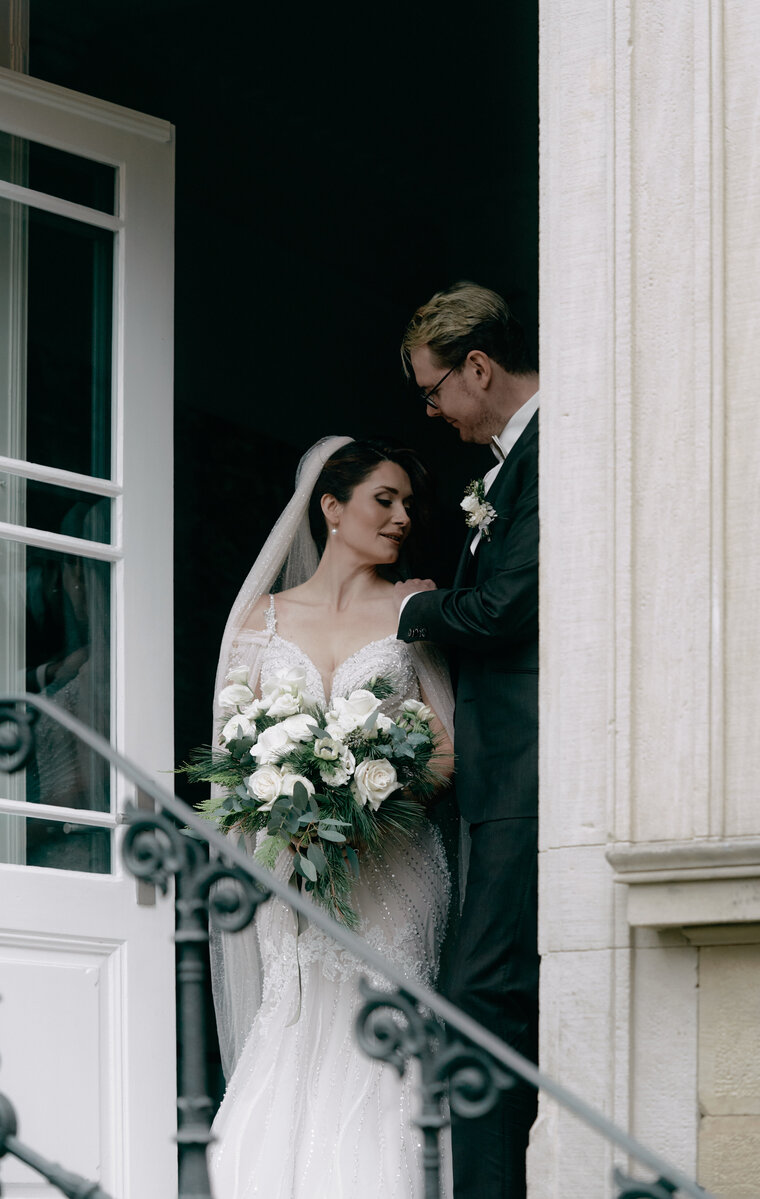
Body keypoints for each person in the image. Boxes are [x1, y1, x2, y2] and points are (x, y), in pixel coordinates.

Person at [207, 436, 457, 1199]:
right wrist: (292, 797)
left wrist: (373, 794)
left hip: (393, 869)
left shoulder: (411, 610)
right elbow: (233, 751)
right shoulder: (261, 619)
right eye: (385, 499)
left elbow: (449, 752)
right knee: (293, 1027)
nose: (402, 516)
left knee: (381, 1044)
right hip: (294, 869)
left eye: (408, 504)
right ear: (331, 507)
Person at [394, 282, 540, 1199]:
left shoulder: (551, 447)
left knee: (483, 999)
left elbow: (506, 605)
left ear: (477, 367)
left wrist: (413, 610)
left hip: (528, 774)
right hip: (501, 781)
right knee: (499, 997)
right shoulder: (512, 460)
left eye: (433, 389)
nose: (433, 410)